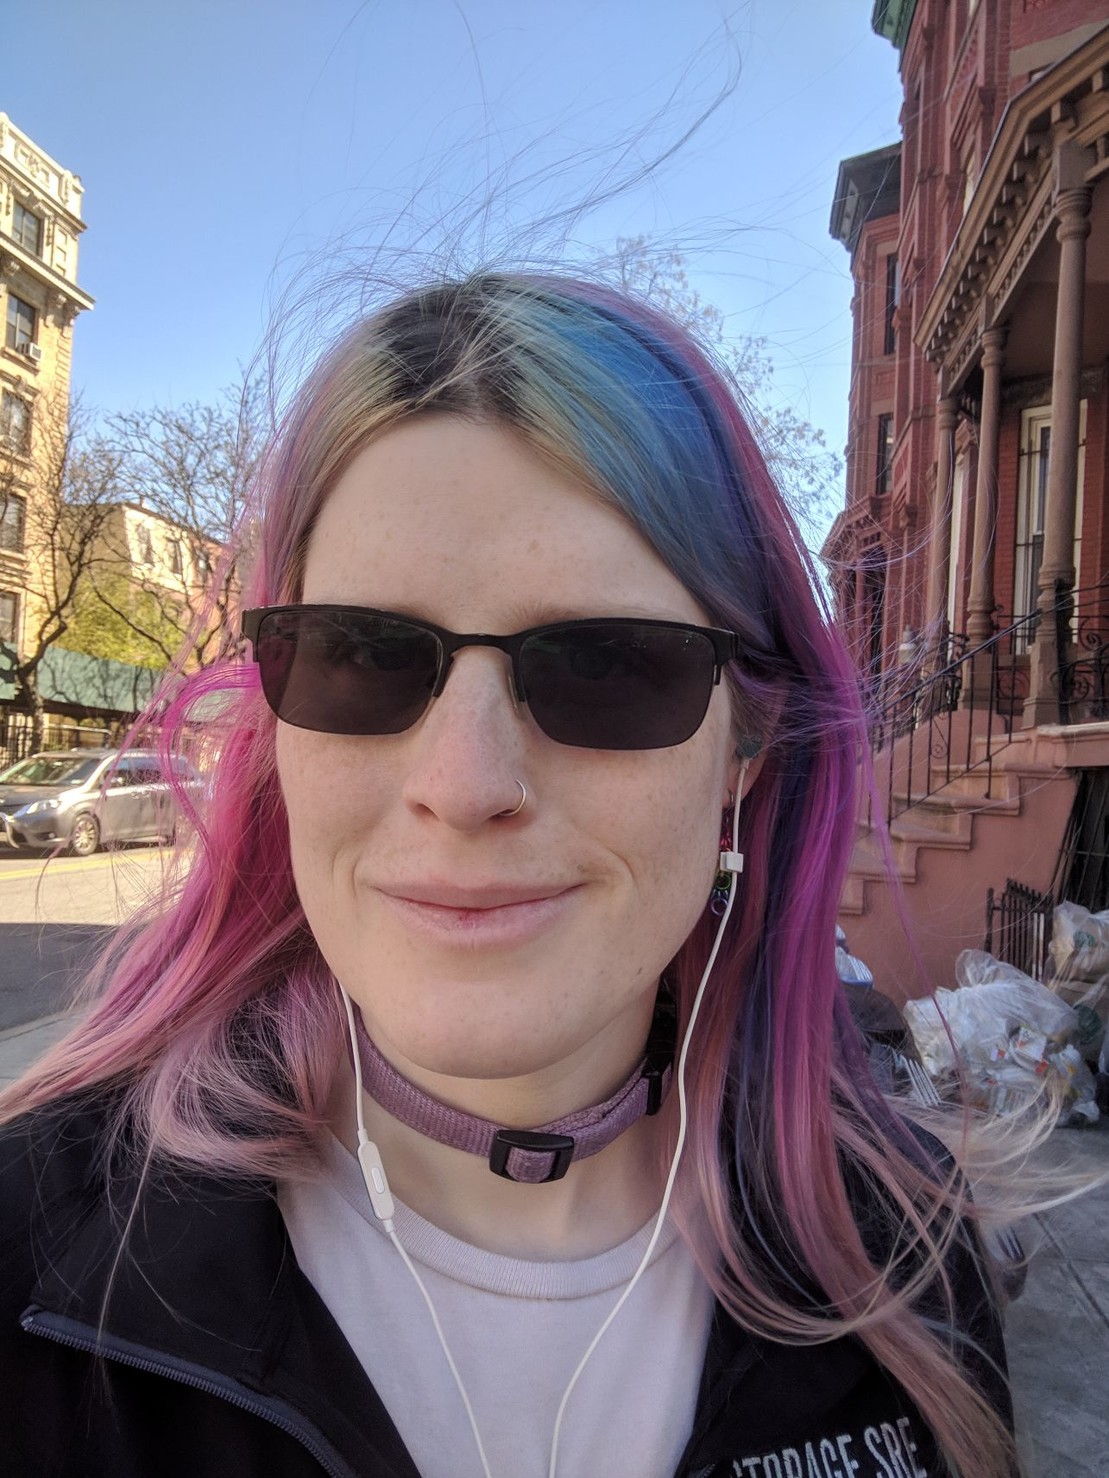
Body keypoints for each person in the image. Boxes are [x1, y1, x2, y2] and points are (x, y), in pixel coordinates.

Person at [0, 273, 1013, 1478]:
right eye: (362, 653)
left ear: (742, 751)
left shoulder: (904, 1261)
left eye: (604, 663)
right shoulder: (30, 1257)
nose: (465, 781)